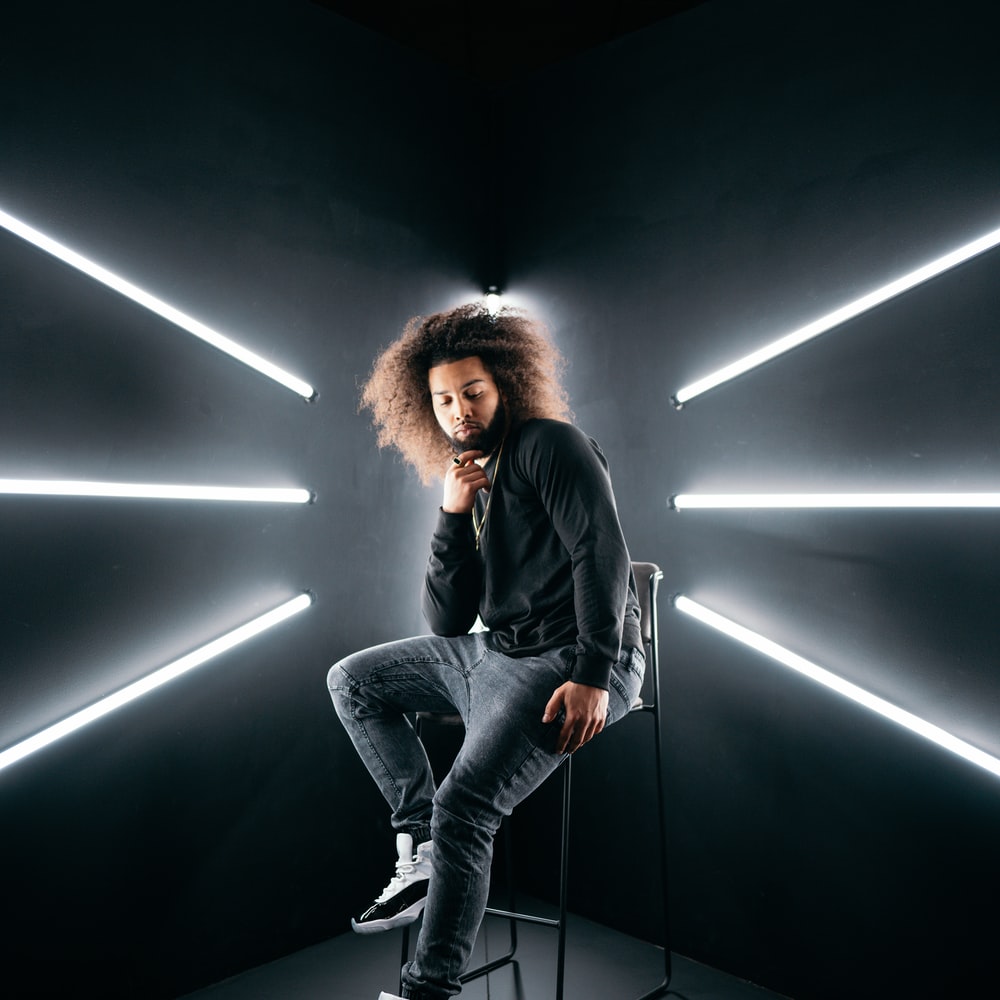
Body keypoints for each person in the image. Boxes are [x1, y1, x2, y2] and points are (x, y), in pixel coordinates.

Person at [327, 302, 644, 1000]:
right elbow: (446, 621)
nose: (458, 410)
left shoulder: (547, 445)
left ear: (504, 383)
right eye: (443, 399)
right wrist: (450, 515)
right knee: (353, 681)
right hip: (492, 651)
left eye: (472, 391)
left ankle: (426, 993)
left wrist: (595, 671)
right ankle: (421, 851)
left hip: (574, 658)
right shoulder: (473, 474)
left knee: (467, 805)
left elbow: (602, 552)